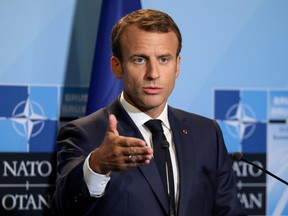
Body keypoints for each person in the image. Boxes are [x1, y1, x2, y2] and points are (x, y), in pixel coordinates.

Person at [51, 8, 247, 216]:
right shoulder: (85, 133)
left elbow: (229, 211)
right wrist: (97, 165)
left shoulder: (206, 132)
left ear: (177, 65)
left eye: (164, 59)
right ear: (117, 66)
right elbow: (63, 210)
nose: (153, 74)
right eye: (139, 59)